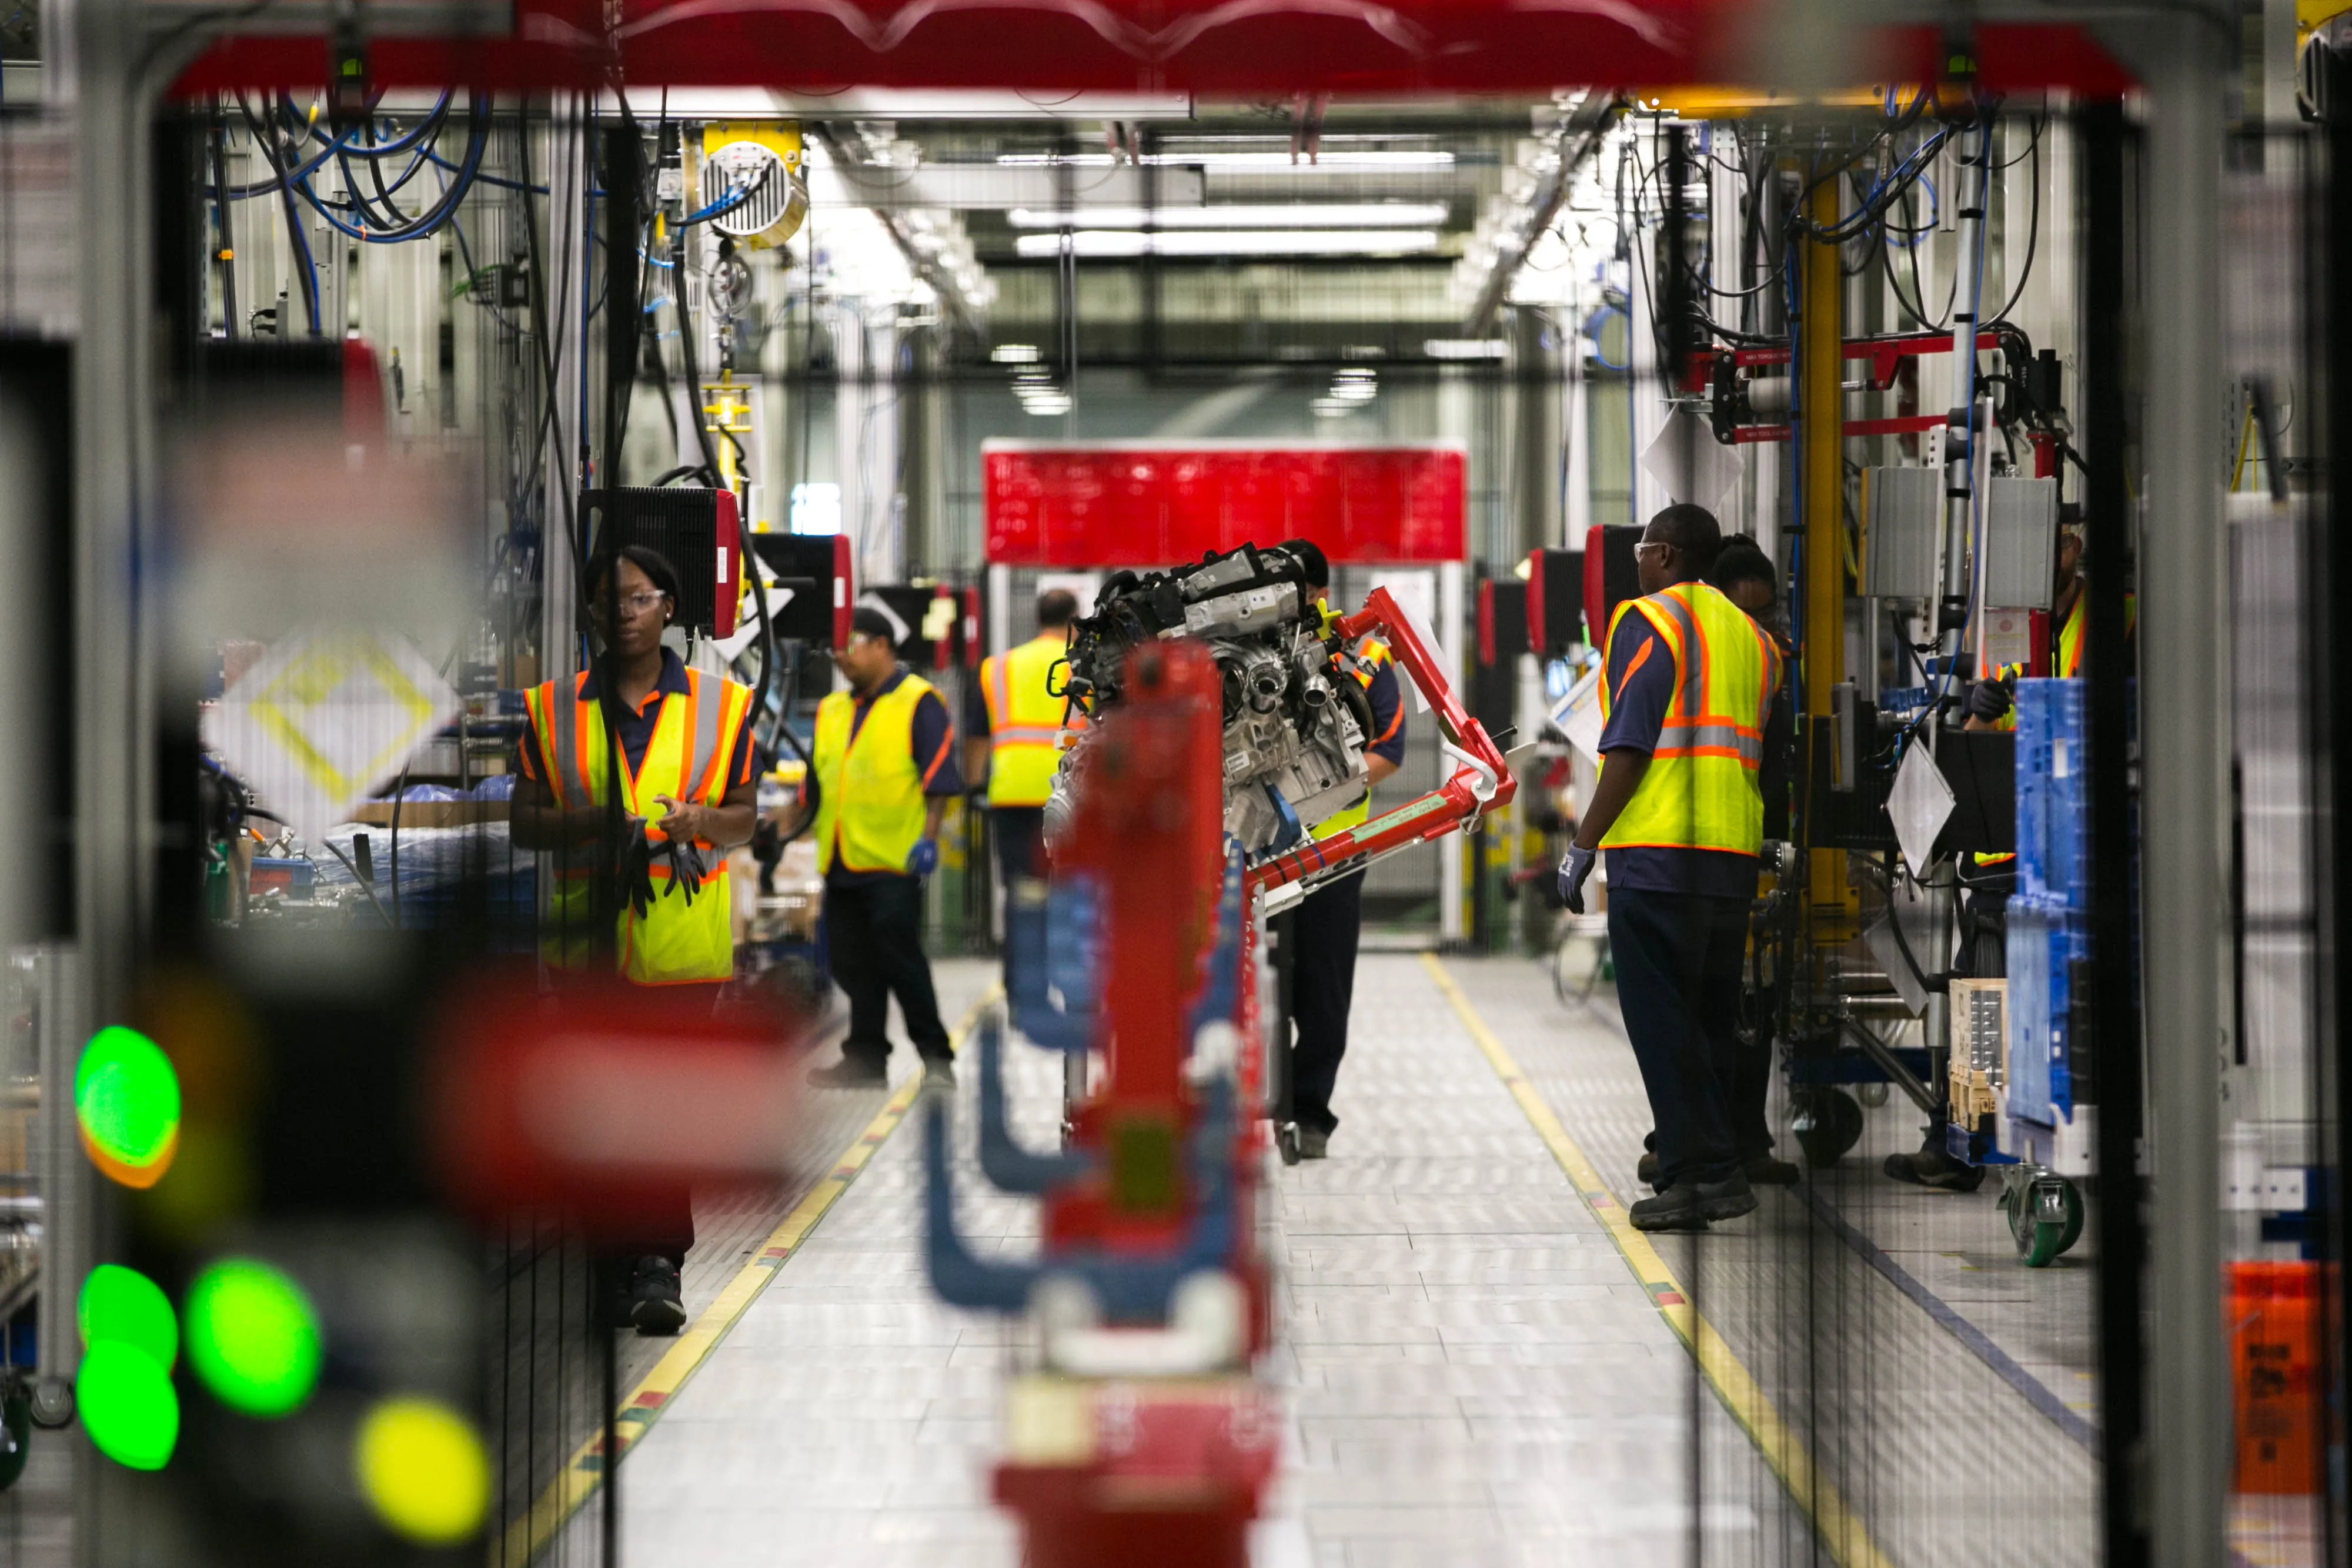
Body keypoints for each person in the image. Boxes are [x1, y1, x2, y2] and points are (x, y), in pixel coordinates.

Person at [512, 543, 760, 1334]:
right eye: (608, 600)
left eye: (640, 597)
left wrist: (700, 820)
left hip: (681, 944)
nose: (623, 611)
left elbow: (746, 817)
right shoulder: (551, 708)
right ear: (589, 612)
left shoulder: (724, 707)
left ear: (669, 609)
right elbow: (523, 820)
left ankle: (658, 1264)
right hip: (588, 944)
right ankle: (607, 1261)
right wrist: (595, 822)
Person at [1882, 519, 2135, 1189]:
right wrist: (1978, 708)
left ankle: (2101, 1142)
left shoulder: (2124, 620)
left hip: (2088, 852)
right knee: (1981, 996)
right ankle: (1961, 1145)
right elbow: (1969, 742)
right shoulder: (1992, 631)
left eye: (2038, 545)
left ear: (2071, 549)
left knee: (2080, 1003)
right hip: (2003, 851)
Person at [1557, 504, 1781, 1231]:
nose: (1637, 566)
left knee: (1662, 1024)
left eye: (1642, 552)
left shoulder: (1649, 622)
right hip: (1731, 857)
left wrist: (1583, 842)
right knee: (1709, 1020)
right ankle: (1713, 1164)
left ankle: (1700, 1172)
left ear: (1665, 557)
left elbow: (1629, 745)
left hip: (1658, 853)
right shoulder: (1755, 641)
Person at [1274, 539, 1405, 1160]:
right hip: (1248, 857)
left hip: (1330, 857)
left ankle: (1309, 1110)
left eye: (1289, 590)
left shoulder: (1363, 656)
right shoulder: (1235, 656)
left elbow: (1390, 752)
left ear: (1318, 594)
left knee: (1323, 996)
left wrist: (1311, 802)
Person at [801, 606, 965, 1091]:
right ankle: (867, 1059)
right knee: (852, 964)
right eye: (835, 646)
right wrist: (782, 827)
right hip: (840, 857)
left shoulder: (919, 701)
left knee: (900, 961)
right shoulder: (833, 709)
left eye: (849, 643)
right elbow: (816, 787)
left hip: (895, 858)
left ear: (881, 644)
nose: (839, 655)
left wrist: (929, 838)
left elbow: (938, 778)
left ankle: (936, 1058)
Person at [963, 589, 1079, 901]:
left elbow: (977, 734)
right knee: (1069, 883)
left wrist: (975, 785)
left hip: (1012, 791)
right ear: (1074, 620)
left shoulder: (1000, 666)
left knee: (1022, 887)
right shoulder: (1081, 665)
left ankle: (1023, 947)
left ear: (1038, 619)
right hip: (1069, 791)